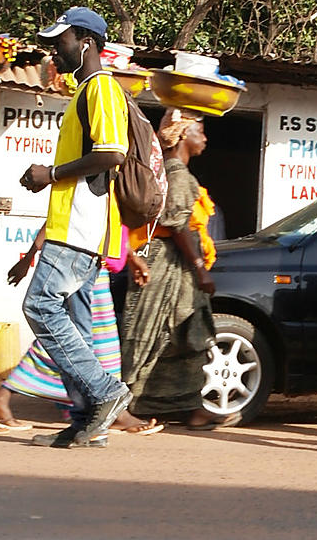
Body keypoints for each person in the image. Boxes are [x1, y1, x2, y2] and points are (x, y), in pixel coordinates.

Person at [19, 7, 132, 448]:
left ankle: (105, 393)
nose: (54, 50)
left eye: (60, 40)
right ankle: (89, 422)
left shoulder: (101, 88)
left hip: (81, 229)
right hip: (76, 228)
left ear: (85, 41)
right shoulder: (86, 91)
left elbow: (111, 154)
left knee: (40, 307)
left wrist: (50, 173)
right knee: (77, 324)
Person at [0, 227, 162, 436]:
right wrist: (29, 256)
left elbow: (112, 223)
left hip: (93, 265)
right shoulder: (91, 195)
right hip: (81, 264)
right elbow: (57, 221)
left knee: (78, 340)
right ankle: (109, 412)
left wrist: (131, 257)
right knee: (79, 341)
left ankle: (7, 395)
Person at [121, 108, 238, 429]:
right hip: (165, 263)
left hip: (178, 267)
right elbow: (177, 225)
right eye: (201, 130)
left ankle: (190, 407)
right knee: (144, 333)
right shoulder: (176, 175)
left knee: (189, 334)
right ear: (184, 134)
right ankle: (116, 404)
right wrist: (200, 269)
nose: (206, 137)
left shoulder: (178, 174)